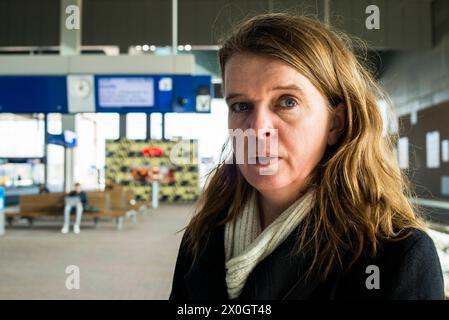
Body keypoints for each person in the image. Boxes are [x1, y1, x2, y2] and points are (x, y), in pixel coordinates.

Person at [169, 13, 446, 300]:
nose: (258, 128)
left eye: (287, 102)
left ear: (335, 123)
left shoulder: (394, 256)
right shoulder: (203, 236)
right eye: (241, 106)